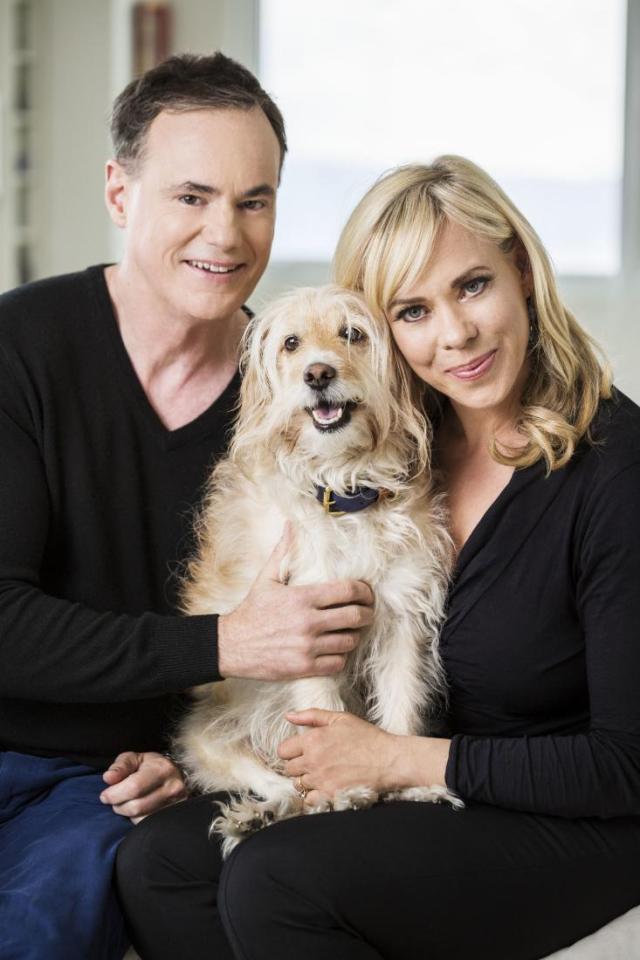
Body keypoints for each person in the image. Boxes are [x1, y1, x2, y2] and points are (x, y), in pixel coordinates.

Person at [120, 155, 640, 960]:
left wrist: (397, 759)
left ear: (524, 277)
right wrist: (221, 749)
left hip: (576, 820)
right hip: (426, 775)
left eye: (473, 286)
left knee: (275, 878)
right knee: (158, 864)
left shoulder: (614, 470)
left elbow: (626, 765)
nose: (454, 334)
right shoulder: (405, 443)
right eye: (412, 310)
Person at [0, 52, 375, 960]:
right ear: (120, 193)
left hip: (106, 784)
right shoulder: (20, 346)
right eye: (192, 196)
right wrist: (225, 641)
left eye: (256, 199)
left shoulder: (300, 401)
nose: (228, 233)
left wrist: (193, 763)